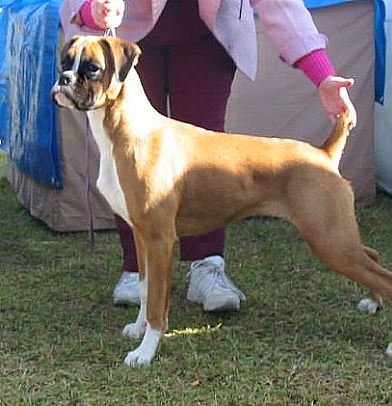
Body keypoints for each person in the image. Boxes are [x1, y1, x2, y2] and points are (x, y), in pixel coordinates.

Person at [59, 0, 357, 311]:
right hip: (129, 38)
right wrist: (88, 8)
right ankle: (136, 267)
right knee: (130, 151)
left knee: (208, 153)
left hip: (208, 35)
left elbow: (279, 3)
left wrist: (322, 75)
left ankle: (206, 264)